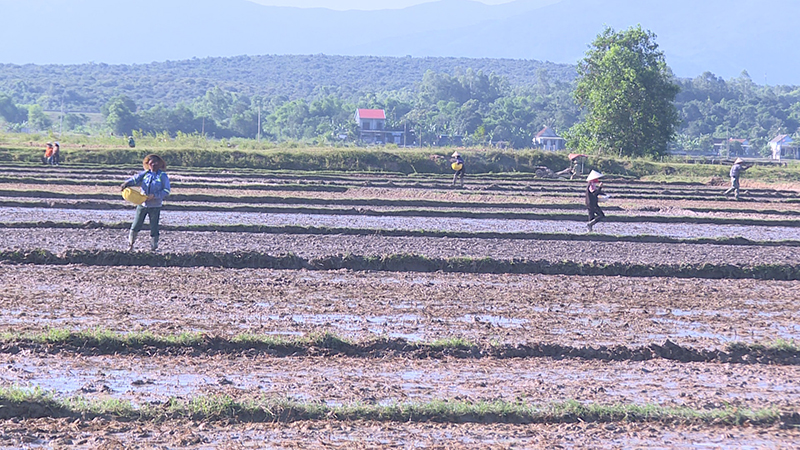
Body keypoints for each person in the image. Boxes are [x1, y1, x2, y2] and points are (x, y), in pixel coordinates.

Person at [119, 154, 171, 251]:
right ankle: (131, 244)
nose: (154, 164)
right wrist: (126, 183)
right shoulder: (145, 174)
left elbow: (167, 190)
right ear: (148, 164)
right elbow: (135, 179)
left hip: (155, 205)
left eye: (156, 162)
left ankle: (154, 246)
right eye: (151, 162)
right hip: (143, 203)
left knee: (154, 226)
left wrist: (155, 196)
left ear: (159, 164)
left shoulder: (162, 176)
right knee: (136, 224)